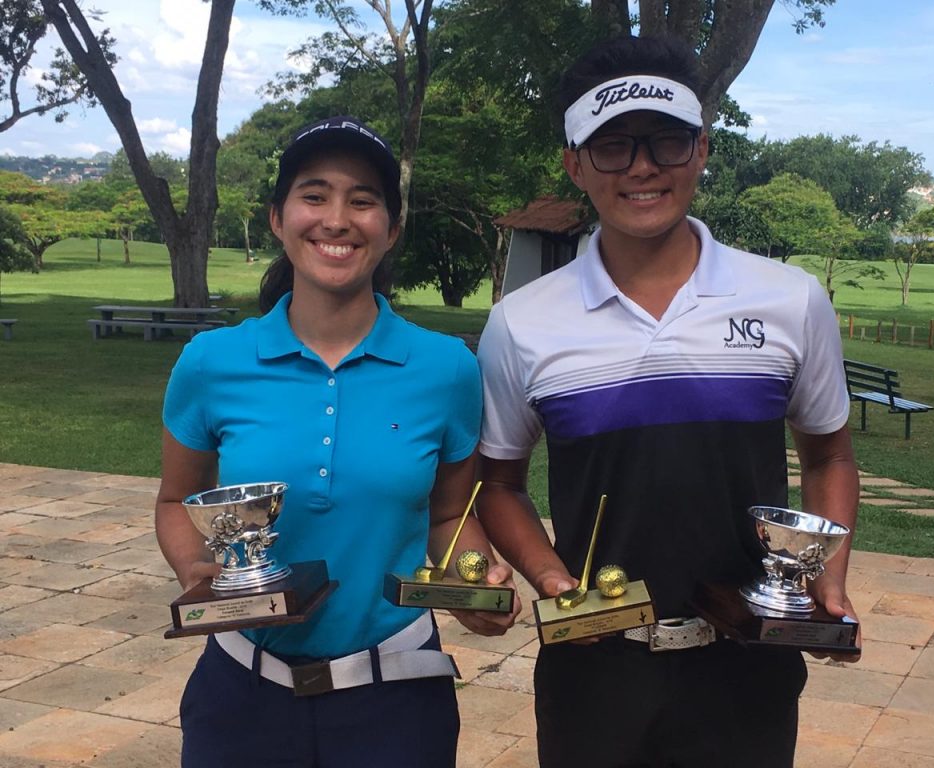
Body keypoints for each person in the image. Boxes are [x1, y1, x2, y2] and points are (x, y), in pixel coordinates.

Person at [474, 36, 860, 768]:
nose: (643, 166)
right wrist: (553, 581)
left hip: (749, 659)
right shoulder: (521, 322)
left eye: (667, 141)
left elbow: (830, 453)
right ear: (574, 163)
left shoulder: (789, 299)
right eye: (613, 146)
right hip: (594, 669)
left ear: (702, 150)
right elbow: (498, 484)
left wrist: (824, 579)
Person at [155, 115, 520, 768]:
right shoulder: (212, 361)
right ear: (278, 217)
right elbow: (175, 500)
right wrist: (195, 569)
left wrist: (473, 581)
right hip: (241, 692)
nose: (337, 218)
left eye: (363, 199)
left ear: (391, 227)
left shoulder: (446, 369)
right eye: (314, 194)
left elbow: (446, 514)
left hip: (397, 697)